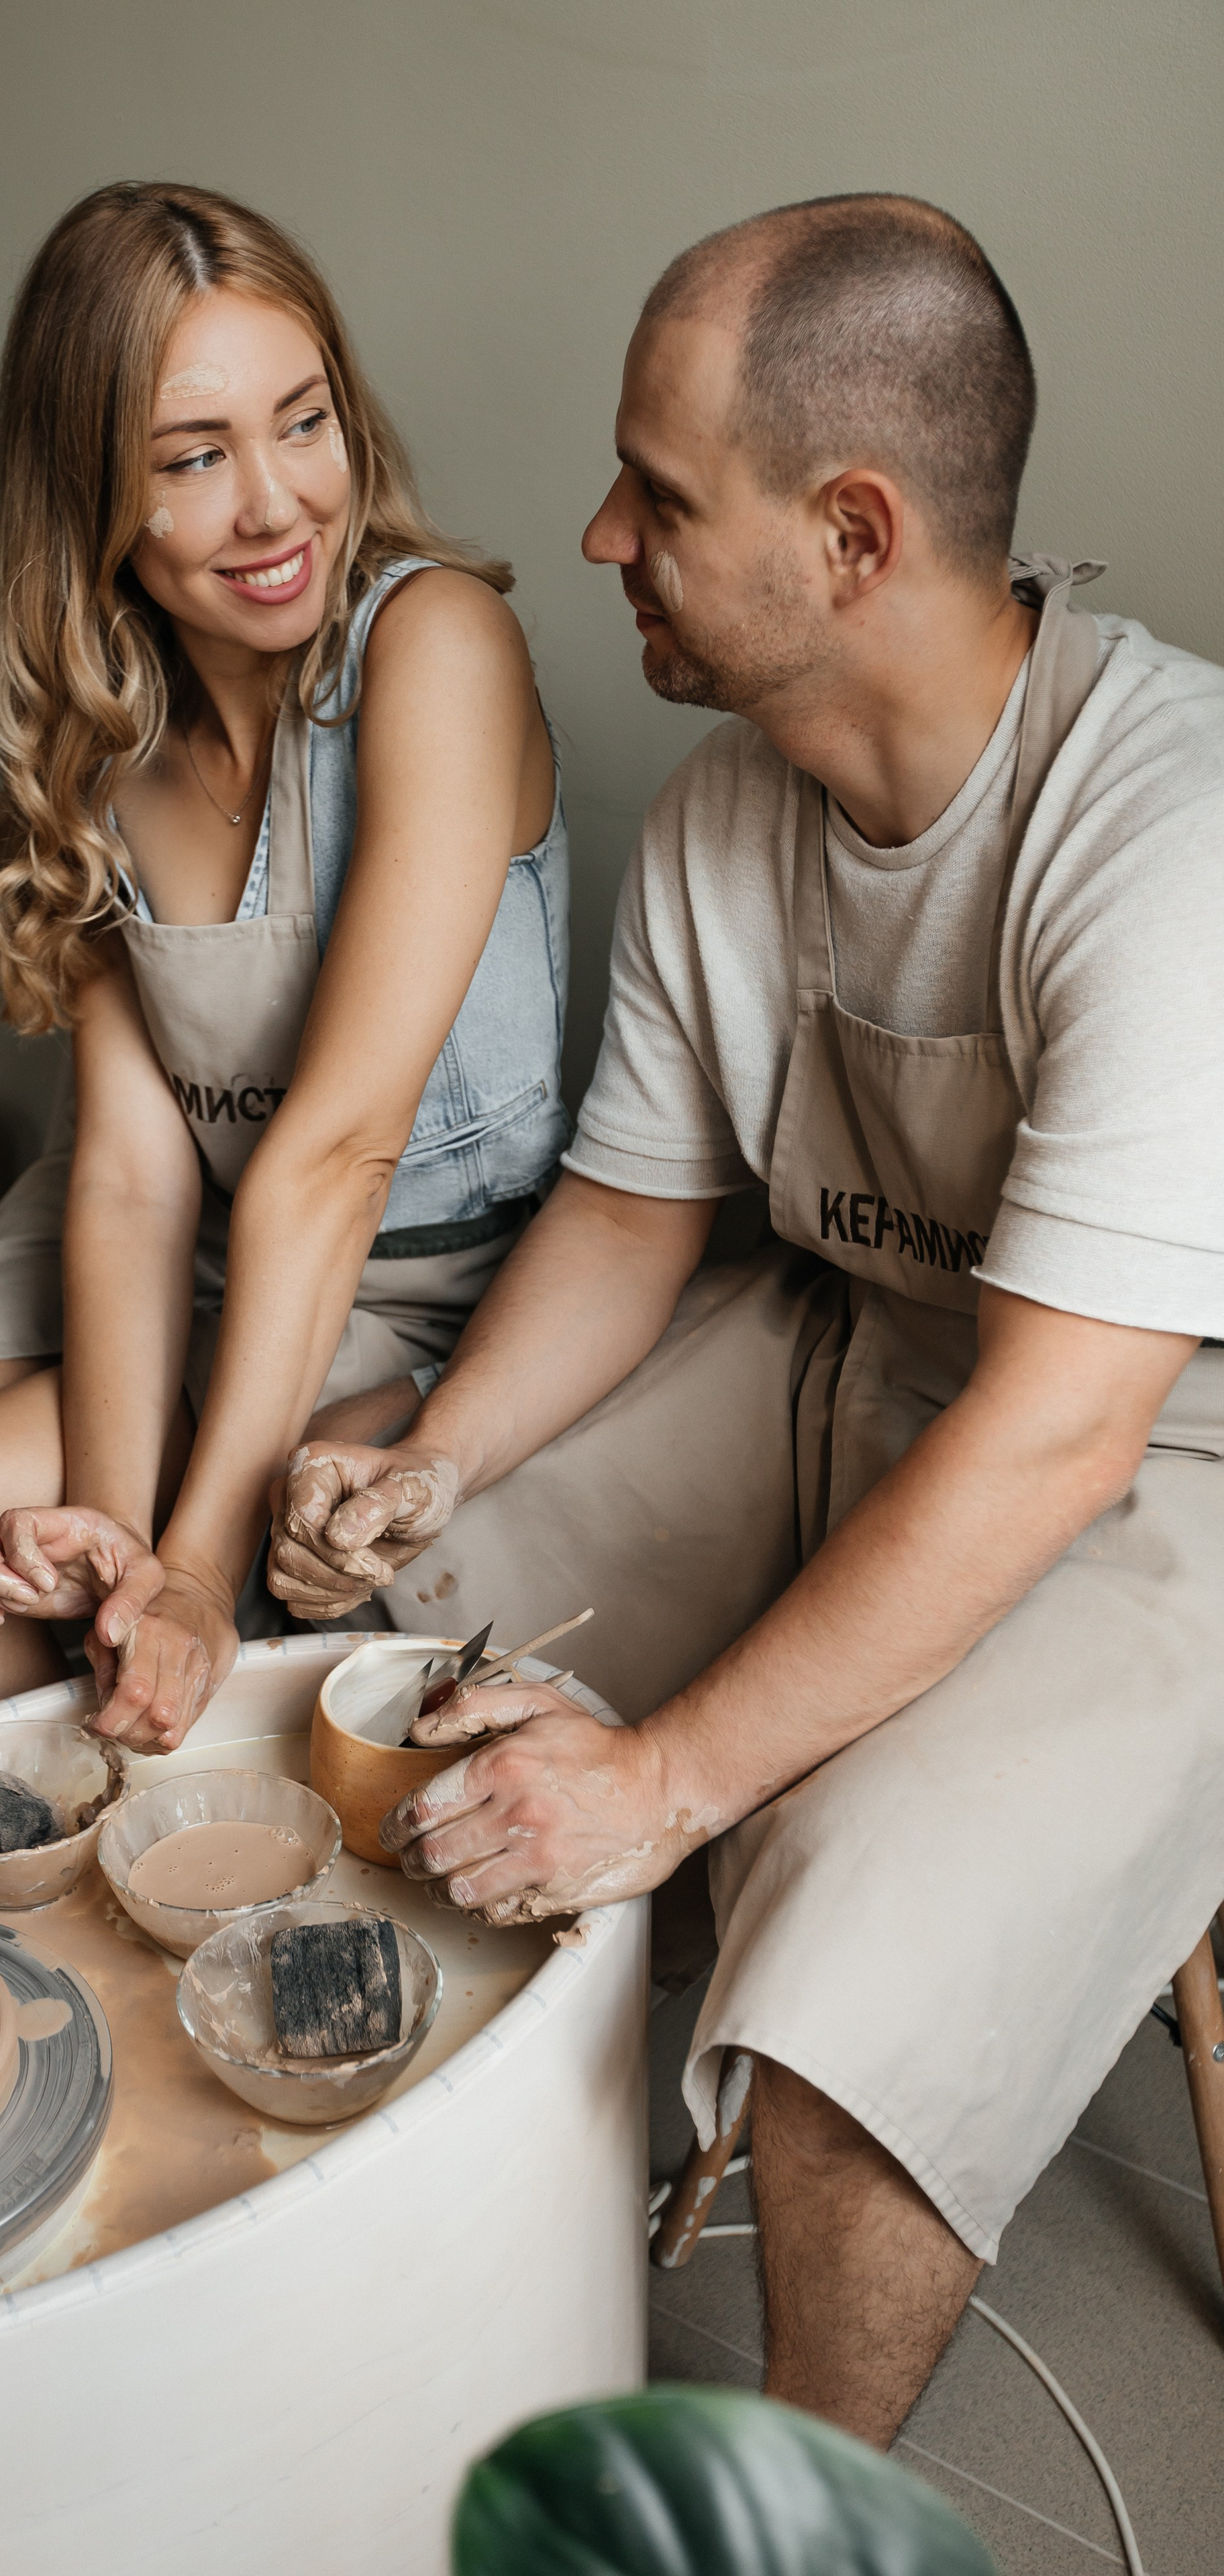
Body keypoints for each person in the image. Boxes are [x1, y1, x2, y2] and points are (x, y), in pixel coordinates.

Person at [268, 195, 1224, 2448]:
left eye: (658, 494)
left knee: (852, 1969)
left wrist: (670, 1788)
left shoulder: (1165, 835)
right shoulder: (729, 805)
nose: (599, 532)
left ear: (854, 533)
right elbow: (621, 1217)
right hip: (856, 1352)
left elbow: (1056, 1441)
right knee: (406, 1642)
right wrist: (444, 1458)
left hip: (1157, 1452)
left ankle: (784, 2500)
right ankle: (412, 2285)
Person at [0, 180, 565, 1820]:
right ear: (93, 494)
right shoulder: (101, 726)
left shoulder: (434, 647)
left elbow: (338, 1152)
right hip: (156, 1226)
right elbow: (125, 1173)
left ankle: (11, 1983)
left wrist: (183, 1567)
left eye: (300, 422)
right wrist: (116, 1542)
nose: (272, 506)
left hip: (388, 1260)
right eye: (190, 458)